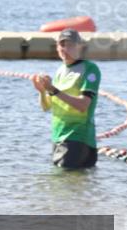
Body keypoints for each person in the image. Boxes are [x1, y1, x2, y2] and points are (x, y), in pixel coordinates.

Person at [32, 29, 101, 169]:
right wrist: (41, 91)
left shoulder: (90, 68)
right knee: (66, 185)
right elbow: (46, 107)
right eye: (61, 45)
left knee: (64, 183)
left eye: (69, 45)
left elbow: (83, 105)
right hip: (59, 137)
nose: (64, 49)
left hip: (78, 136)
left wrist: (53, 90)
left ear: (79, 46)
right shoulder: (60, 71)